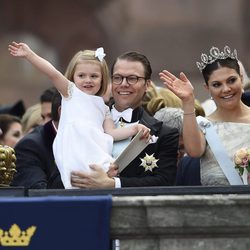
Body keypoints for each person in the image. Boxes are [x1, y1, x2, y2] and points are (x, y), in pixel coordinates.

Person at [9, 42, 150, 188]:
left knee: (100, 182)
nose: (88, 80)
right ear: (73, 77)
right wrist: (29, 55)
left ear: (102, 79)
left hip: (96, 156)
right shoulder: (70, 93)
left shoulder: (103, 107)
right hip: (75, 156)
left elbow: (112, 133)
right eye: (81, 75)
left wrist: (135, 128)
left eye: (94, 76)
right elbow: (52, 72)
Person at [70, 51, 179, 188]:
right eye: (117, 78)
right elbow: (57, 174)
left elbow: (164, 182)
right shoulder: (83, 120)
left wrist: (113, 184)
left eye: (132, 78)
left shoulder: (164, 134)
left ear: (147, 84)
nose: (124, 84)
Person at [160, 45, 250, 186]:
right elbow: (194, 151)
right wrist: (188, 101)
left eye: (232, 80)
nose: (226, 89)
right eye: (217, 84)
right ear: (207, 88)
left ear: (241, 78)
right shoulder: (203, 125)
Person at [11, 91, 64, 189]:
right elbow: (39, 197)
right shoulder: (30, 146)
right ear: (62, 112)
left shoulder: (97, 140)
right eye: (45, 116)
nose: (45, 123)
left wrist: (102, 182)